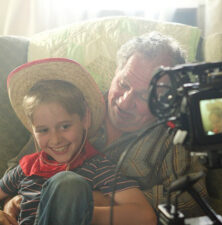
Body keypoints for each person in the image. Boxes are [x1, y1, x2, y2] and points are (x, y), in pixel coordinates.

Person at [5, 32, 209, 218]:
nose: (125, 101)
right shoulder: (71, 108)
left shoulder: (172, 133)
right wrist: (10, 203)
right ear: (115, 72)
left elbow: (193, 200)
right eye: (123, 84)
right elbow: (19, 169)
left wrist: (95, 199)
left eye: (144, 95)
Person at [0, 58, 156, 225]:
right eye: (43, 130)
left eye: (65, 126)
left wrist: (80, 211)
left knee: (68, 183)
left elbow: (146, 216)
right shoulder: (25, 168)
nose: (55, 139)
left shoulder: (99, 167)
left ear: (85, 119)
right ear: (33, 130)